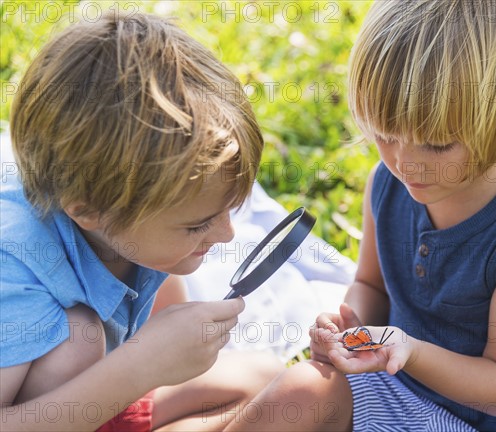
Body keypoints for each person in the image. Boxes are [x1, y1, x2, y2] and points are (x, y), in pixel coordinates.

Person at [227, 1, 496, 431]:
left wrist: (409, 351)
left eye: (436, 145)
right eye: (384, 135)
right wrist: (352, 330)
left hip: (475, 422)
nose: (405, 163)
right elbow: (369, 285)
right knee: (251, 379)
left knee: (296, 392)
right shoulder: (388, 184)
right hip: (395, 390)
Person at [0, 12, 284, 431]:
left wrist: (173, 347)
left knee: (268, 379)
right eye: (196, 225)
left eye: (229, 209)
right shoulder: (16, 277)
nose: (227, 234)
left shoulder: (132, 238)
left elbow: (172, 322)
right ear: (88, 210)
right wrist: (138, 368)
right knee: (78, 341)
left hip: (96, 401)